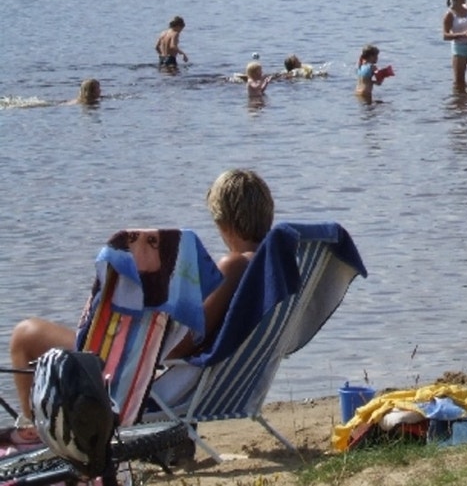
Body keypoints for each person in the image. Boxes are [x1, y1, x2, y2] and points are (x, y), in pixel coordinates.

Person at [8, 170, 274, 433]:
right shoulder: (270, 265)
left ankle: (36, 432)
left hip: (153, 382)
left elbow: (182, 346)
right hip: (216, 386)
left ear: (223, 221)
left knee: (25, 335)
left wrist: (148, 331)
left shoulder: (235, 265)